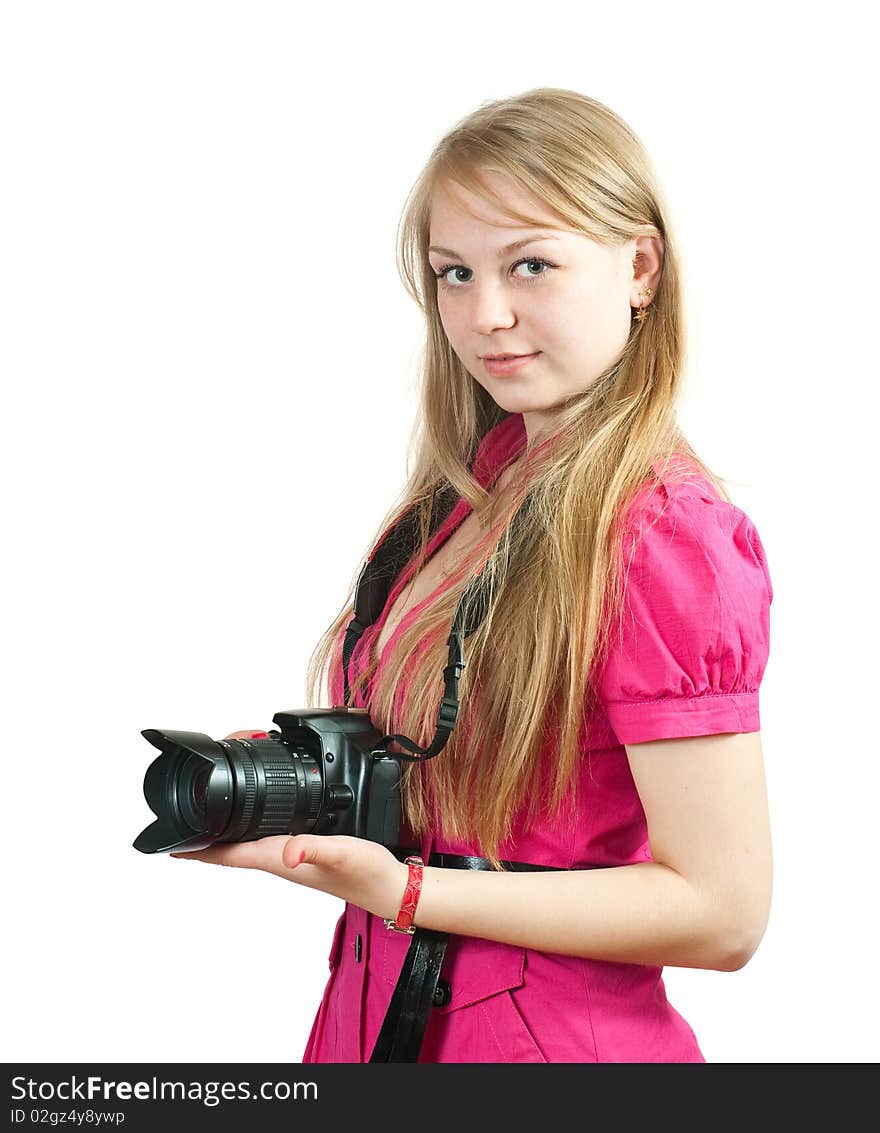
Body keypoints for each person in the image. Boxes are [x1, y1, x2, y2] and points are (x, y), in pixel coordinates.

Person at [170, 87, 774, 1063]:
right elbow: (453, 785)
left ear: (639, 266)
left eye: (530, 264)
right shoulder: (467, 492)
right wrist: (295, 788)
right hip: (377, 1026)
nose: (485, 315)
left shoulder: (664, 534)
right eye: (455, 273)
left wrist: (406, 891)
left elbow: (722, 911)